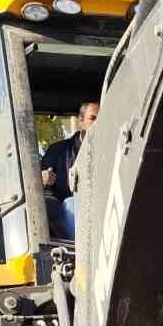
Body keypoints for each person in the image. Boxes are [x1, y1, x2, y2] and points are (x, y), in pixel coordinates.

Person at [41, 101, 99, 238]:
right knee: (72, 203)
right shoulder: (58, 151)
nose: (97, 124)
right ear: (81, 121)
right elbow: (33, 185)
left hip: (102, 211)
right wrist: (40, 179)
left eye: (102, 119)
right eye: (93, 118)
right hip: (71, 213)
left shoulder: (114, 152)